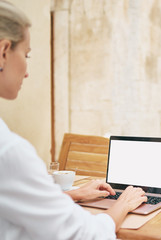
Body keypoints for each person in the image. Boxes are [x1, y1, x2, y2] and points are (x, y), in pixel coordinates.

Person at [0, 1, 147, 239]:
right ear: (3, 51)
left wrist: (75, 194)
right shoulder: (10, 151)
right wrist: (124, 203)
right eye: (26, 54)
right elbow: (86, 235)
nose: (27, 71)